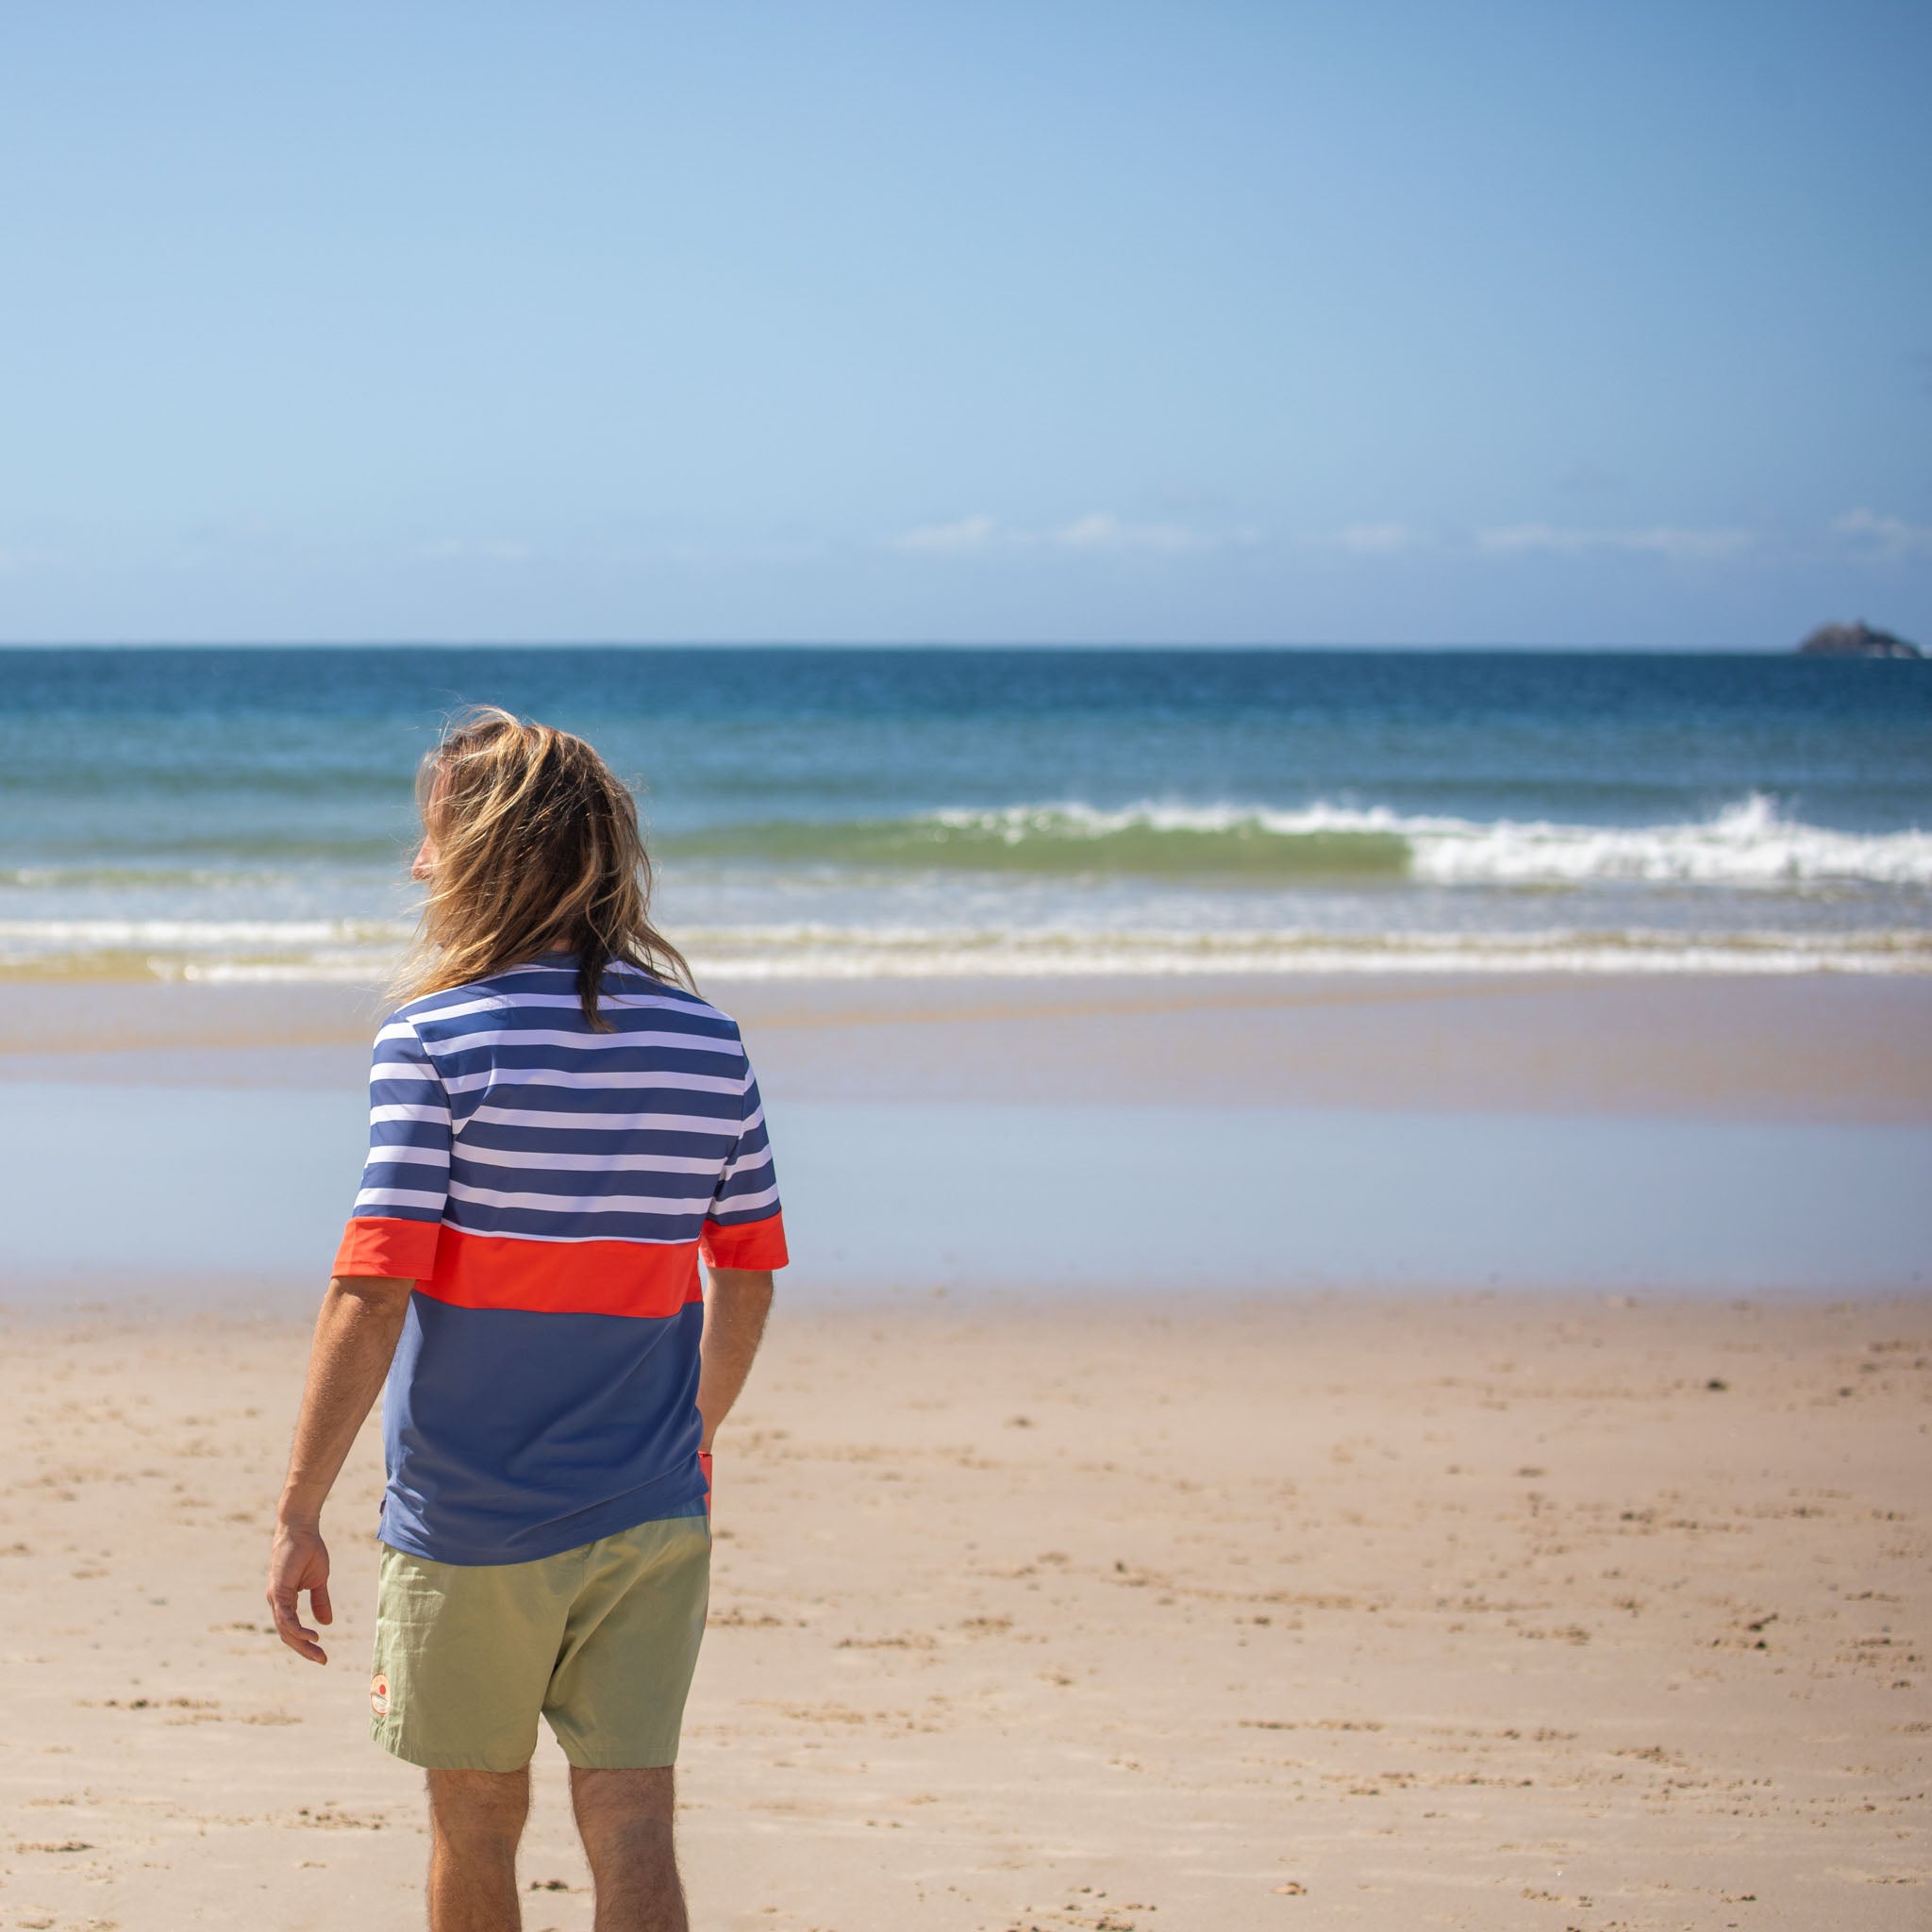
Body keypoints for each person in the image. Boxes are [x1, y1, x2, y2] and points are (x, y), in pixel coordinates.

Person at [265, 708, 786, 1931]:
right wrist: (692, 1434)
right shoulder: (709, 1044)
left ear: (489, 854)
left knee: (474, 1822)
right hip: (655, 1510)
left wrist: (298, 1508)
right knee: (635, 1821)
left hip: (471, 1523)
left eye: (431, 838)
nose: (415, 865)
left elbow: (373, 1281)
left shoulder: (436, 1043)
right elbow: (750, 1273)